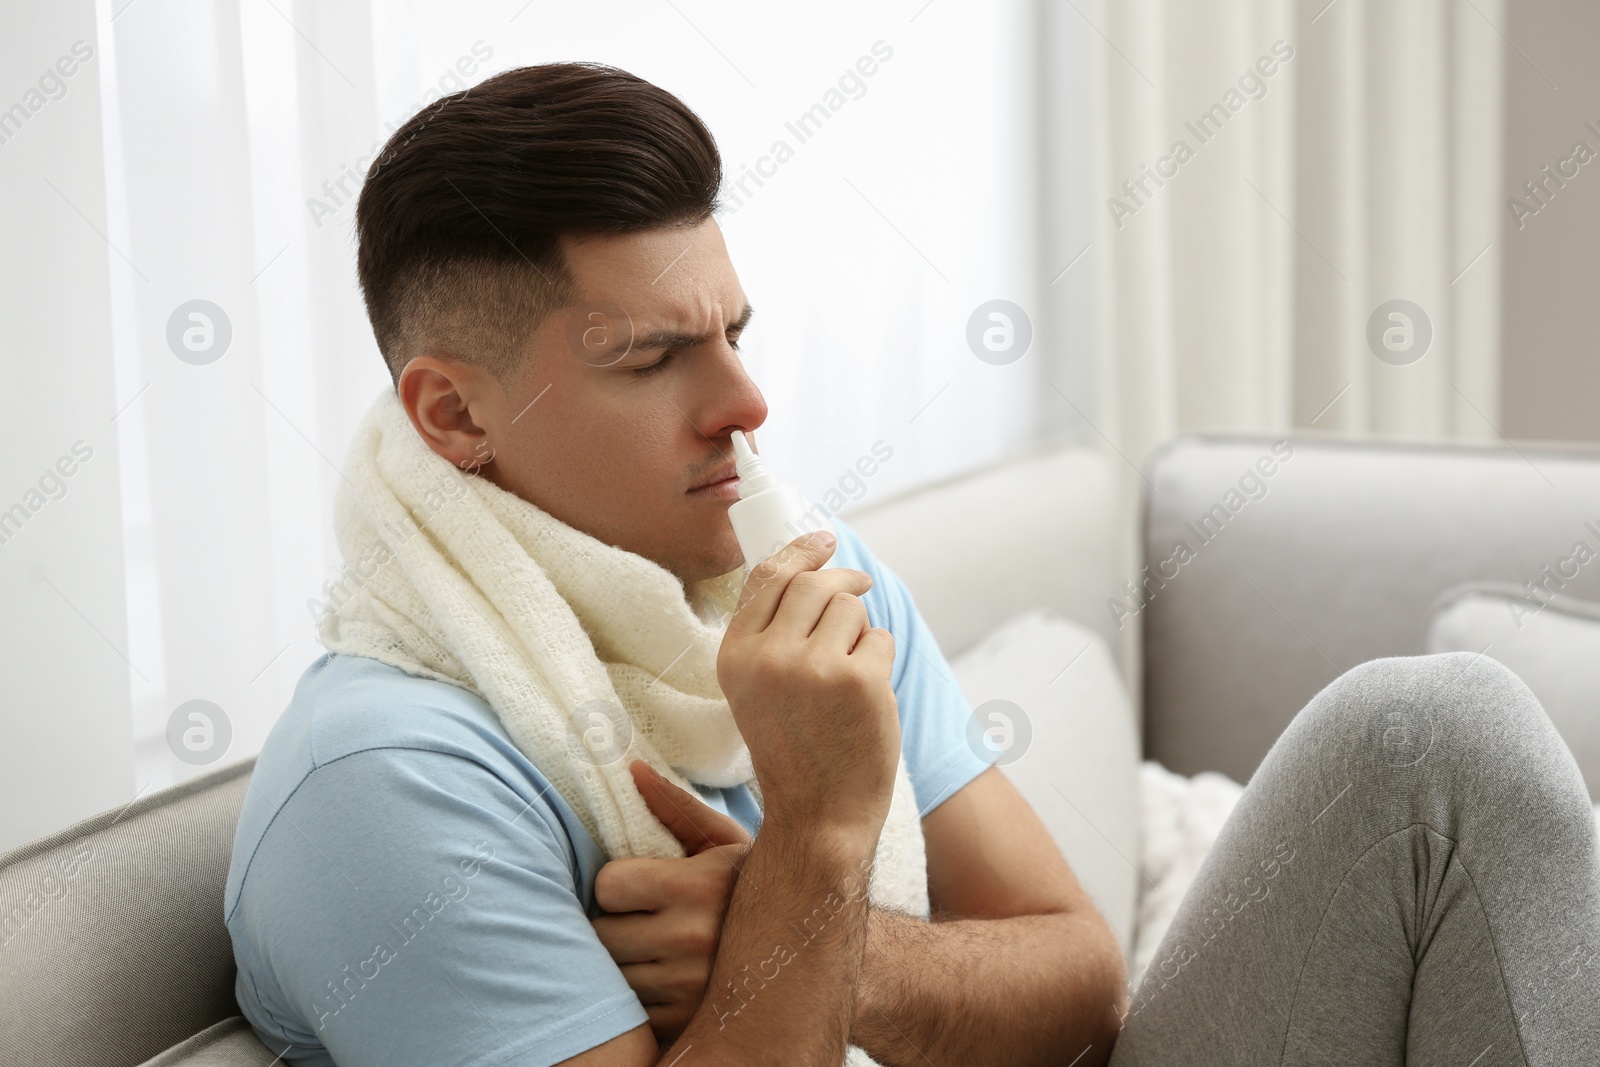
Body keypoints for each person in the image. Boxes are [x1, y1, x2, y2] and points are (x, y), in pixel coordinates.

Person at [225, 62, 1600, 1067]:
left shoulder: (819, 590)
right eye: (650, 359)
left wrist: (817, 941)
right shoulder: (392, 786)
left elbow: (1076, 981)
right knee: (1427, 738)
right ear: (454, 415)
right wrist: (821, 833)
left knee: (1434, 736)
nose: (746, 405)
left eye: (734, 334)